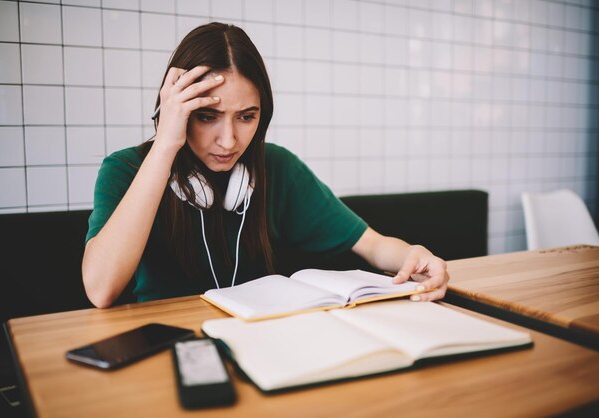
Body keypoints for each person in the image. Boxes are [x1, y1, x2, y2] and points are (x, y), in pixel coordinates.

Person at [82, 22, 449, 308]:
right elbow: (101, 290)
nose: (228, 141)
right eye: (208, 117)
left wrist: (414, 257)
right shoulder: (125, 169)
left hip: (263, 340)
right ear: (180, 109)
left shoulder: (276, 166)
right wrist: (165, 146)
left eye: (246, 117)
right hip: (171, 350)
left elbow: (371, 244)